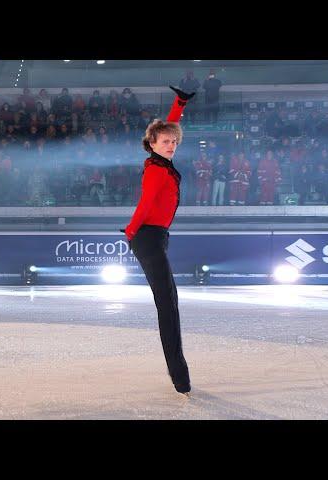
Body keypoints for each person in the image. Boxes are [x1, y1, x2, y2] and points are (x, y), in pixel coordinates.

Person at [122, 85, 195, 396]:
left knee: (170, 304)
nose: (172, 145)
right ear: (152, 144)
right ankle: (180, 377)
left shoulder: (161, 161)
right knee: (167, 306)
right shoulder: (155, 170)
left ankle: (180, 376)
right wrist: (130, 231)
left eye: (175, 142)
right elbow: (146, 203)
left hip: (157, 237)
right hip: (148, 237)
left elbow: (166, 128)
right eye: (166, 142)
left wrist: (178, 105)